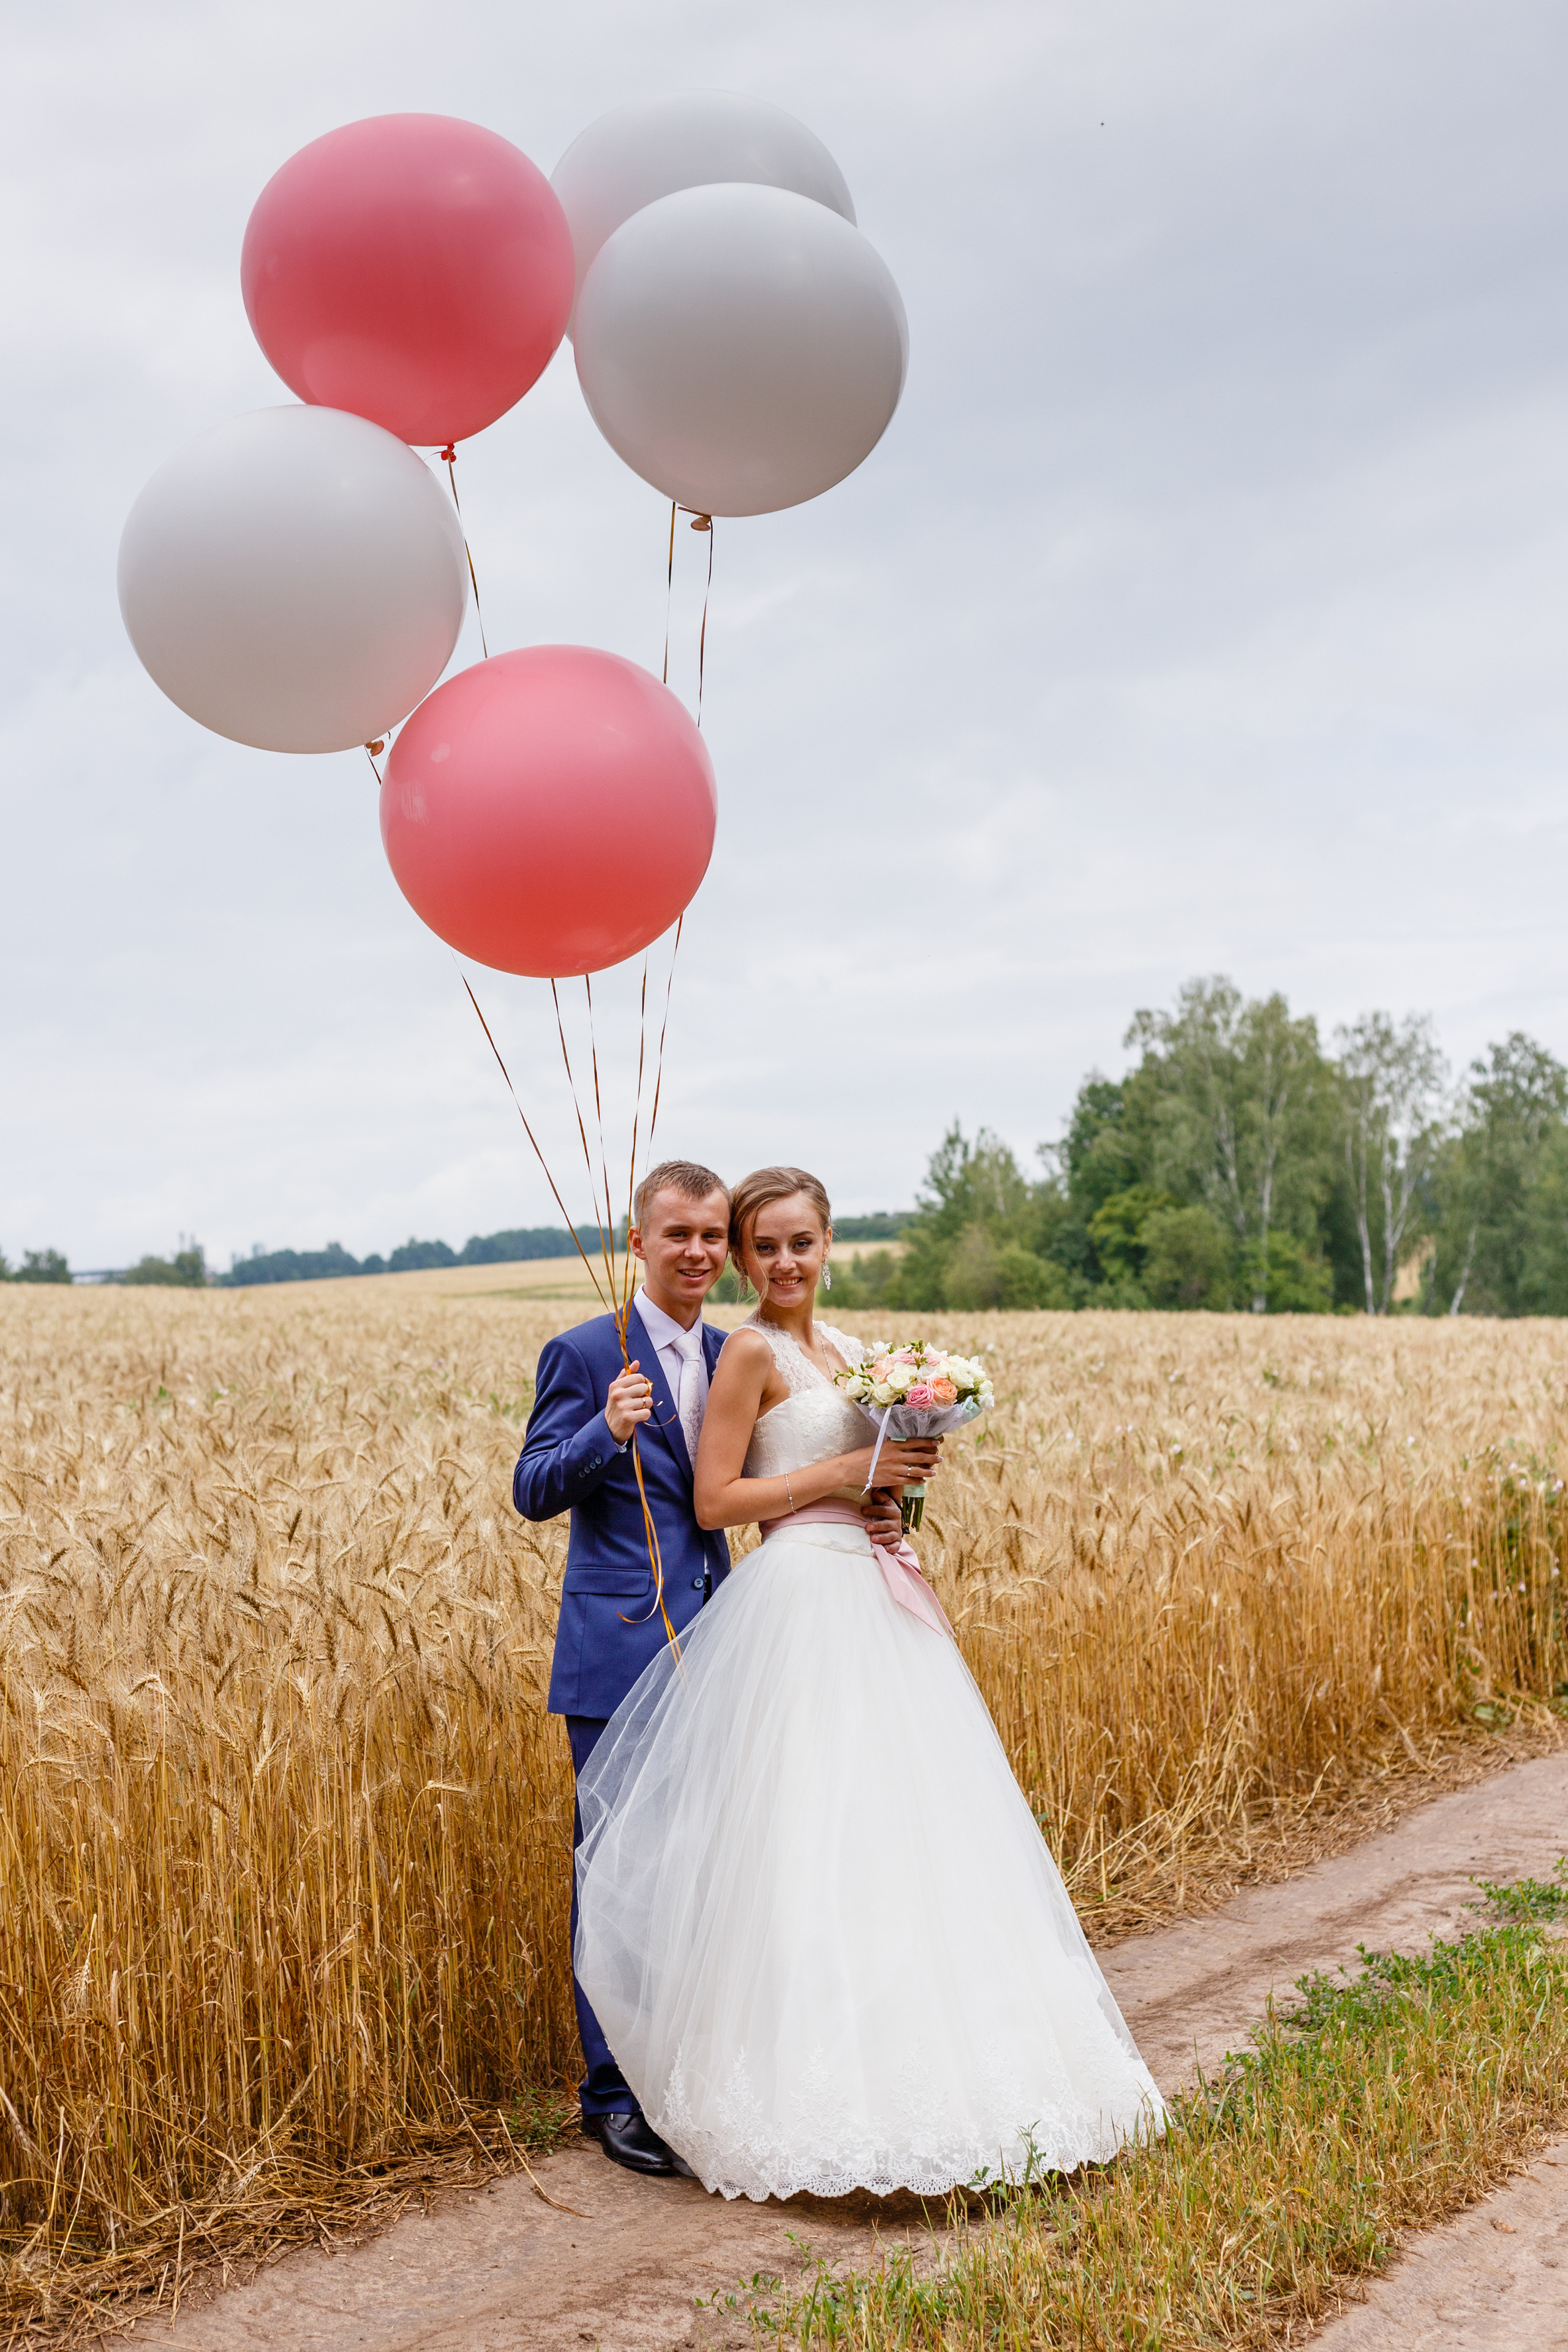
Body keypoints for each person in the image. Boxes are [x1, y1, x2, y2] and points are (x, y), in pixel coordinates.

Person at [571, 1166, 1165, 2202]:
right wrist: (840, 1482)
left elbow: (878, 1470)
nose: (782, 1263)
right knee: (813, 1832)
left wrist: (895, 1499)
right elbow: (716, 1501)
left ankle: (960, 2075)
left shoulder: (856, 1355)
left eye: (799, 1243)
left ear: (829, 1243)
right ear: (744, 1260)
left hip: (875, 1594)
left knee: (915, 1830)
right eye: (763, 1248)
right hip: (799, 1599)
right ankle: (809, 2090)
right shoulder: (747, 1350)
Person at [513, 1157, 911, 2177]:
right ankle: (611, 2101)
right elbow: (531, 1488)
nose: (694, 1251)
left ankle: (683, 2075)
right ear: (637, 1244)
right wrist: (606, 1431)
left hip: (731, 1641)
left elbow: (759, 1484)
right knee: (613, 1871)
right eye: (676, 1234)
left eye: (706, 1235)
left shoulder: (743, 1349)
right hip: (616, 1651)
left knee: (705, 1868)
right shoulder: (585, 1353)